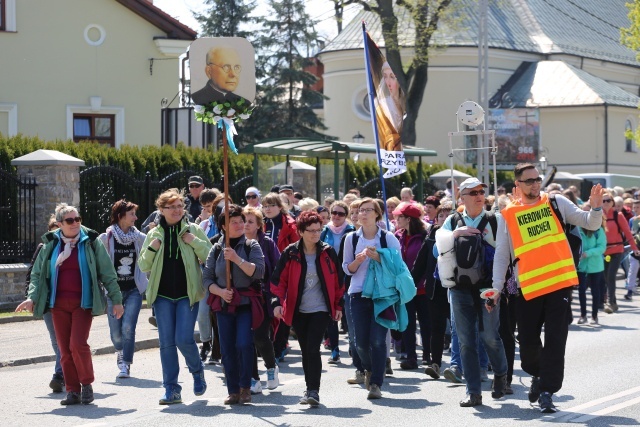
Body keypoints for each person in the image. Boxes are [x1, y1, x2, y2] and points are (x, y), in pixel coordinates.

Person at [492, 163, 605, 413]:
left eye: (537, 179)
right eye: (529, 180)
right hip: (529, 288)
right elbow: (502, 254)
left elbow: (591, 223)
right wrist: (496, 288)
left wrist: (596, 207)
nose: (535, 184)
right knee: (528, 340)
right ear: (517, 185)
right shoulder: (507, 215)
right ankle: (537, 374)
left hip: (559, 284)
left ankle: (546, 391)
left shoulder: (556, 202)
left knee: (555, 340)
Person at [16, 203, 124, 406]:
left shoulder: (90, 241)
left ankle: (86, 385)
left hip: (83, 303)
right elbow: (37, 275)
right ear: (59, 224)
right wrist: (32, 297)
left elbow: (108, 273)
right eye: (70, 220)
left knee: (77, 344)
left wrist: (116, 300)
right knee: (64, 349)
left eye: (78, 219)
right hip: (57, 305)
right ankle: (72, 391)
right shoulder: (50, 244)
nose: (75, 223)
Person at [435, 177, 508, 407]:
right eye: (473, 192)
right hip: (459, 288)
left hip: (487, 288)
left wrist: (498, 288)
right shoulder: (452, 220)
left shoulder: (495, 220)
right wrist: (454, 235)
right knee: (466, 341)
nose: (479, 196)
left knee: (489, 337)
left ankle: (500, 374)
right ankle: (473, 391)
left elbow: (507, 253)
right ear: (462, 197)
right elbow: (436, 249)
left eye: (481, 192)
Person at [138, 189, 212, 405]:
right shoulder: (154, 234)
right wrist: (152, 248)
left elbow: (209, 255)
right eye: (173, 207)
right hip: (162, 296)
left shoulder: (194, 230)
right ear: (161, 210)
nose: (178, 210)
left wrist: (193, 241)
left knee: (183, 338)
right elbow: (143, 265)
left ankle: (197, 370)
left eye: (180, 206)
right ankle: (171, 389)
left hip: (186, 295)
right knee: (167, 343)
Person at [271, 210, 344, 407]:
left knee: (313, 348)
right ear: (301, 231)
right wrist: (277, 302)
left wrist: (338, 305)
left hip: (321, 309)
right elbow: (279, 281)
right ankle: (309, 388)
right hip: (297, 310)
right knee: (306, 350)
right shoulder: (290, 252)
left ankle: (314, 391)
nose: (315, 234)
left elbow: (339, 281)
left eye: (318, 230)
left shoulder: (328, 252)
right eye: (311, 231)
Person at [203, 204, 265, 405]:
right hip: (223, 305)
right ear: (223, 226)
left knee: (244, 343)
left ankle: (246, 386)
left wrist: (237, 259)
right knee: (227, 348)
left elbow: (258, 272)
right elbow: (207, 279)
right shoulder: (216, 248)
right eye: (234, 222)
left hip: (245, 304)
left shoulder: (251, 246)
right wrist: (220, 291)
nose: (240, 225)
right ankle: (233, 390)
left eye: (242, 221)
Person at [342, 198, 402, 400]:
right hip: (358, 293)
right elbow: (347, 269)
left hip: (382, 295)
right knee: (359, 343)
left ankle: (376, 382)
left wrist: (378, 257)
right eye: (360, 210)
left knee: (377, 340)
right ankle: (367, 368)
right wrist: (357, 262)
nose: (363, 213)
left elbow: (398, 267)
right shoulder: (351, 238)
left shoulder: (388, 238)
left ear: (377, 214)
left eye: (368, 210)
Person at [99, 200, 148, 379]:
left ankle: (125, 364)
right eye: (132, 214)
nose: (136, 217)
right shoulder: (106, 238)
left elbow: (151, 256)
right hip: (114, 292)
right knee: (116, 332)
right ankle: (119, 350)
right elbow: (98, 263)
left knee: (128, 327)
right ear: (121, 216)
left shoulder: (140, 238)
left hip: (134, 290)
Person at [24, 215, 64, 392]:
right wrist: (30, 297)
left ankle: (59, 375)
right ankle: (65, 372)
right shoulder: (43, 248)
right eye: (54, 227)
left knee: (67, 341)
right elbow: (32, 273)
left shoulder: (77, 246)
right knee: (57, 341)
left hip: (69, 301)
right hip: (48, 302)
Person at [412, 203, 452, 380]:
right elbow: (419, 265)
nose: (445, 219)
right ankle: (435, 363)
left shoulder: (463, 234)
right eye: (442, 216)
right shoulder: (430, 238)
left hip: (457, 290)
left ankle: (463, 365)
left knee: (461, 330)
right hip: (435, 290)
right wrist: (409, 285)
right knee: (437, 329)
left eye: (449, 215)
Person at [243, 206, 281, 394]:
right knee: (246, 339)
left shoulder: (267, 244)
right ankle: (253, 378)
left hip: (264, 297)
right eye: (244, 221)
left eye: (250, 221)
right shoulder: (235, 243)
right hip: (243, 298)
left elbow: (278, 271)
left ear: (259, 225)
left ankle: (271, 366)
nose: (246, 225)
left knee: (260, 337)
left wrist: (277, 298)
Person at [393, 202, 429, 370]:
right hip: (404, 288)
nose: (396, 219)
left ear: (408, 219)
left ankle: (428, 356)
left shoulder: (424, 237)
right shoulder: (397, 236)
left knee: (425, 323)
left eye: (399, 216)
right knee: (407, 323)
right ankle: (411, 357)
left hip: (422, 288)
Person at [320, 200, 355, 364]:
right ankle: (334, 349)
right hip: (328, 276)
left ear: (346, 216)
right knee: (331, 313)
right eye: (334, 213)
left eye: (340, 214)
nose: (336, 216)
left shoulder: (351, 231)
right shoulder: (325, 230)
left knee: (348, 313)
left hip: (347, 276)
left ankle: (353, 345)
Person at [602, 190, 640, 313]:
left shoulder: (618, 215)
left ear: (612, 202)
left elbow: (628, 233)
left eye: (608, 200)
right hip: (603, 251)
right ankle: (612, 301)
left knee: (611, 276)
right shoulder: (597, 216)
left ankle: (610, 302)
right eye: (603, 201)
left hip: (617, 249)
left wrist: (634, 248)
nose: (606, 203)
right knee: (605, 277)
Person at [576, 214, 606, 325]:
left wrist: (588, 253)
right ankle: (583, 315)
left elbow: (602, 247)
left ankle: (594, 316)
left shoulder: (599, 230)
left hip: (596, 266)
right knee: (581, 290)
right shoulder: (578, 229)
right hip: (581, 266)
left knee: (595, 291)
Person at [375, 61, 405, 152]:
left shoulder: (405, 103)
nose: (388, 82)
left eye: (392, 77)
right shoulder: (383, 106)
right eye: (385, 77)